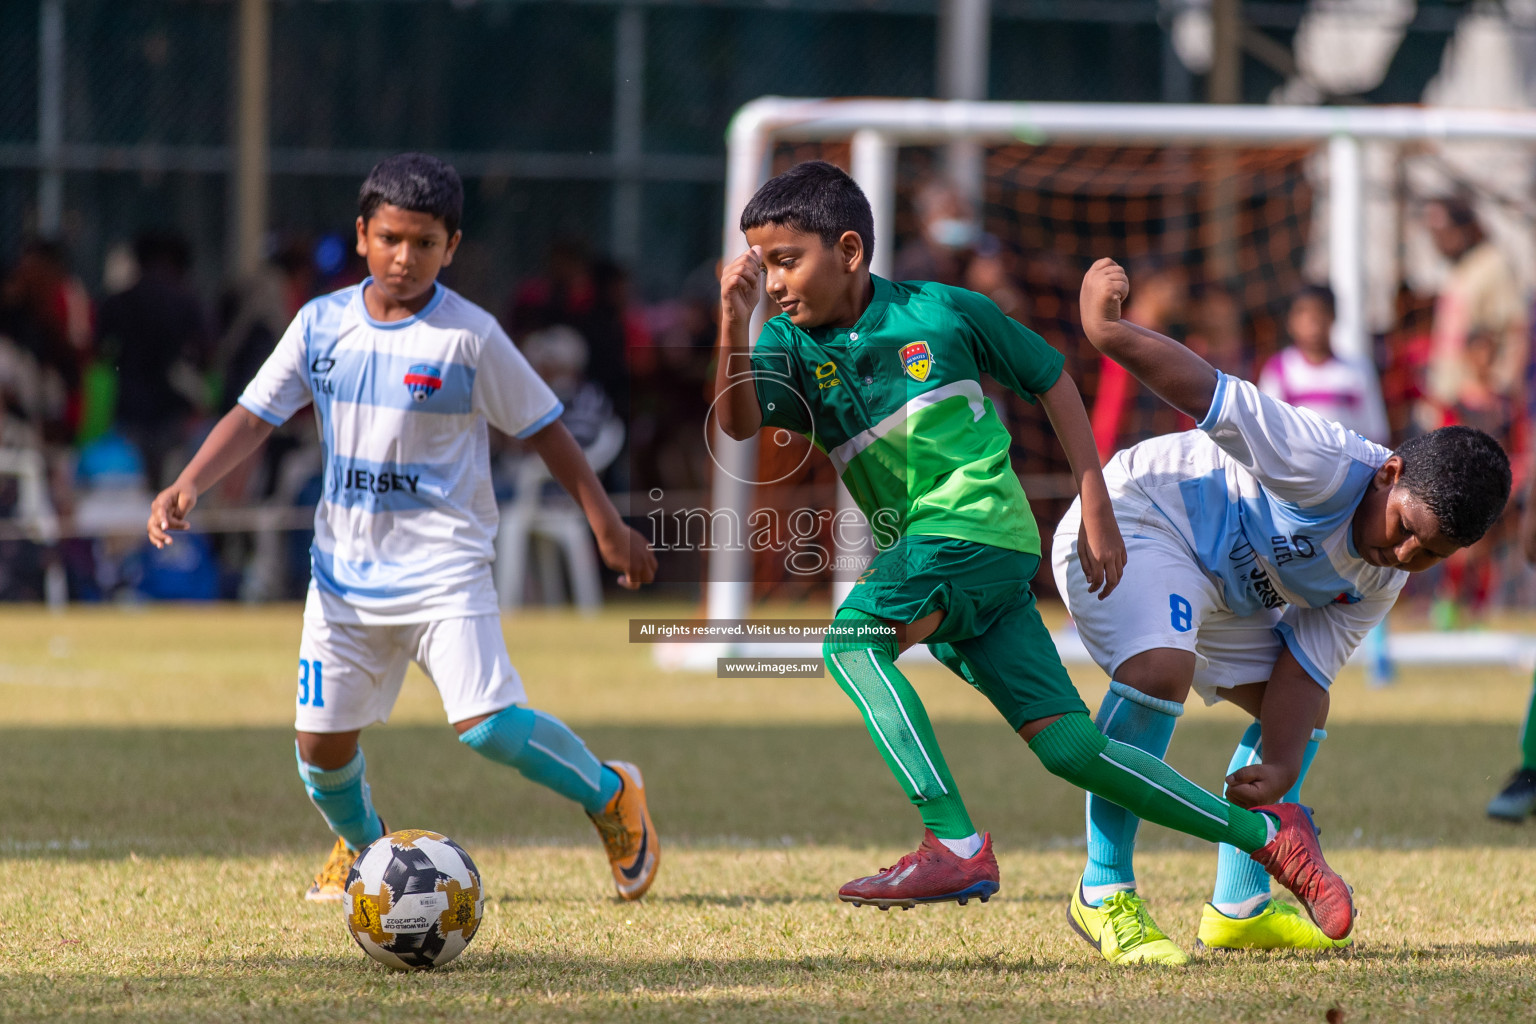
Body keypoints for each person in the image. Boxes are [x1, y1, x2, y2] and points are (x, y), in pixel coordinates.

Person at [713, 161, 1356, 947]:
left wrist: (1095, 505)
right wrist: (731, 322)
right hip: (956, 559)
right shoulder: (780, 342)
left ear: (849, 250)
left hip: (970, 531)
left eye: (786, 260)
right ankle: (1270, 839)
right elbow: (740, 423)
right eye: (762, 263)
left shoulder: (943, 312)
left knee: (852, 646)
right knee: (1072, 749)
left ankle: (951, 842)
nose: (773, 282)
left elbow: (1052, 379)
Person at [146, 153, 660, 903]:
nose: (404, 257)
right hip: (344, 579)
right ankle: (366, 849)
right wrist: (190, 483)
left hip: (445, 567)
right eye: (390, 238)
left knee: (485, 725)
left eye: (424, 243)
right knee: (320, 754)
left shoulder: (470, 336)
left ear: (451, 247)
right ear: (362, 235)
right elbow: (257, 415)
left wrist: (607, 525)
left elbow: (547, 427)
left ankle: (612, 793)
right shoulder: (320, 325)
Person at [1052, 258, 1510, 964]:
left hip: (1214, 596)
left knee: (1298, 712)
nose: (1406, 554)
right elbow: (1204, 390)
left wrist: (1282, 761)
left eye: (1431, 553)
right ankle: (1103, 890)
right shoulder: (1321, 461)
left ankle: (1238, 909)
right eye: (1407, 527)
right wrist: (1105, 332)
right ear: (1389, 473)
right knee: (1161, 666)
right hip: (1130, 523)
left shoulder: (1379, 580)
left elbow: (1304, 667)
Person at [1259, 285, 1394, 685]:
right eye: (1305, 315)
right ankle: (1283, 648)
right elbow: (1268, 434)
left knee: (1371, 564)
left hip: (1352, 492)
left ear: (1333, 319)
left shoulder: (1354, 371)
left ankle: (1380, 655)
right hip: (1297, 497)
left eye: (1320, 315)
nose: (1313, 324)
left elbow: (1376, 432)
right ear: (1292, 321)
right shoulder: (1280, 370)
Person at [97, 230, 210, 489]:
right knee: (172, 485)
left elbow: (101, 352)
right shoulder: (187, 300)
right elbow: (207, 352)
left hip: (131, 407)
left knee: (135, 485)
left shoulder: (120, 301)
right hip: (173, 411)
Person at [1418, 196, 1527, 433]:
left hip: (1480, 406)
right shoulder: (1460, 269)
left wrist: (1502, 391)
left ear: (1464, 227)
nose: (1438, 242)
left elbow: (1516, 329)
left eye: (1443, 232)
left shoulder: (1492, 265)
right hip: (1450, 401)